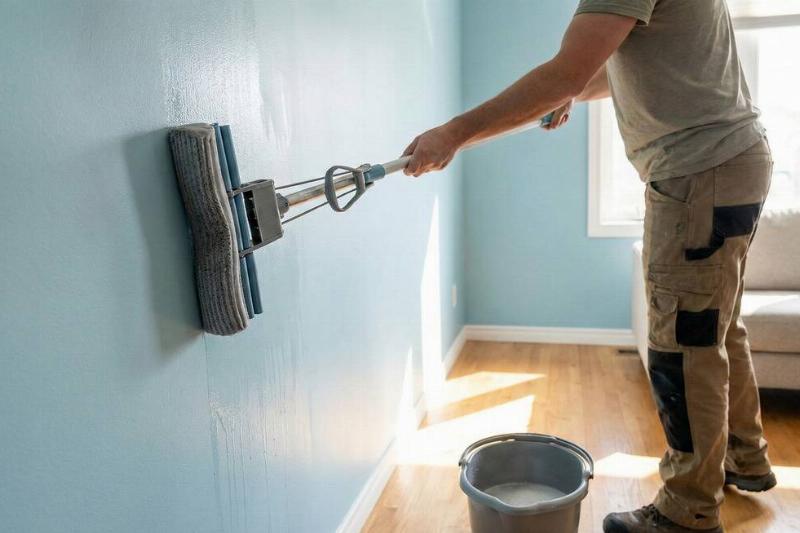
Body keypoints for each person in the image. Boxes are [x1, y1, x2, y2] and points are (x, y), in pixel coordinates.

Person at [401, 1, 776, 532]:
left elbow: (564, 71)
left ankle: (688, 508)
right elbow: (617, 64)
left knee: (684, 343)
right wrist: (570, 89)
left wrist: (453, 133)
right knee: (714, 326)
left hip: (700, 172)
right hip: (731, 160)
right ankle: (744, 457)